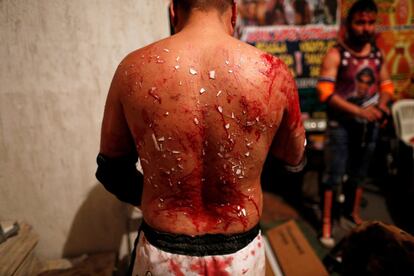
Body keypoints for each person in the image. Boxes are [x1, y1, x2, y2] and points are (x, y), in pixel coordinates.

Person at [96, 0, 306, 274]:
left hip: (163, 257)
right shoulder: (273, 73)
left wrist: (163, 198)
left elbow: (112, 171)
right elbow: (293, 165)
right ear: (233, 12)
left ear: (173, 10)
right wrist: (243, 183)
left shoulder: (133, 69)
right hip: (240, 258)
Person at [316, 0, 394, 248]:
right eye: (360, 22)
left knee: (360, 173)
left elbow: (387, 86)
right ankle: (327, 222)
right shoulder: (336, 54)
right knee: (333, 176)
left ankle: (353, 213)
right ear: (349, 24)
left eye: (371, 22)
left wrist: (381, 107)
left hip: (368, 126)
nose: (366, 28)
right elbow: (325, 93)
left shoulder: (376, 54)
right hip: (341, 126)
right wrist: (358, 111)